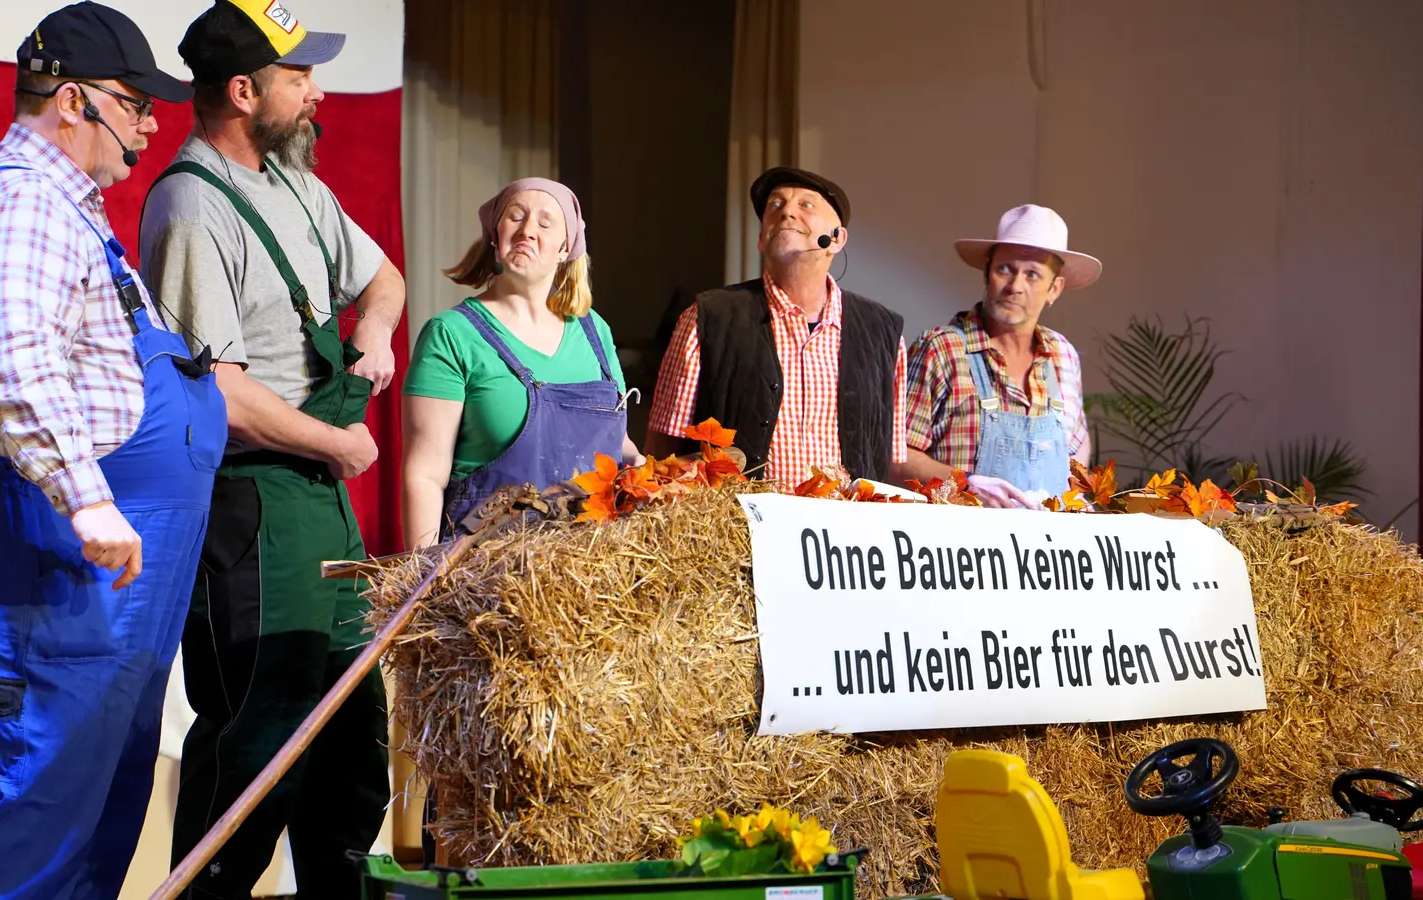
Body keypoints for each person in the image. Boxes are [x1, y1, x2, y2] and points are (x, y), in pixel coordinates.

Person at [0, 4, 224, 897]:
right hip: (42, 544)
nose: (149, 125)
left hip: (80, 554)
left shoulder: (65, 206)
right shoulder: (22, 204)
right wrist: (89, 503)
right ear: (70, 101)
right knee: (42, 817)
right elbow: (19, 370)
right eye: (133, 104)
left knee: (96, 810)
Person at [136, 0, 406, 895]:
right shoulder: (189, 203)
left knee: (349, 743)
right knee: (259, 744)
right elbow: (220, 393)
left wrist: (374, 333)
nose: (317, 93)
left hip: (321, 497)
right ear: (246, 91)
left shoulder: (299, 186)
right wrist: (341, 439)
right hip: (252, 507)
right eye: (300, 77)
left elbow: (386, 280)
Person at [402, 177, 644, 548]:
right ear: (496, 237)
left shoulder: (595, 331)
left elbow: (617, 444)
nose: (528, 230)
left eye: (545, 223)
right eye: (516, 217)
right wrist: (423, 579)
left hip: (594, 568)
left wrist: (649, 472)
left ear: (566, 248)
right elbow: (425, 474)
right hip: (486, 573)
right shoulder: (452, 334)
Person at [645, 166, 909, 486]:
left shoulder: (883, 334)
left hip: (843, 535)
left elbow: (890, 460)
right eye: (775, 205)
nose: (787, 213)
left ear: (837, 239)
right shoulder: (706, 318)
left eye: (805, 205)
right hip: (738, 530)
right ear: (761, 238)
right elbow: (662, 453)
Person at [899, 204, 1100, 508]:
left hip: (1050, 551)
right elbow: (895, 457)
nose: (1015, 286)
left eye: (1032, 275)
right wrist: (964, 484)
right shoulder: (941, 349)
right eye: (1004, 269)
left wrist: (1076, 493)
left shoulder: (1063, 355)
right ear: (987, 273)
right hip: (962, 549)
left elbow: (1077, 444)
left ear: (1054, 289)